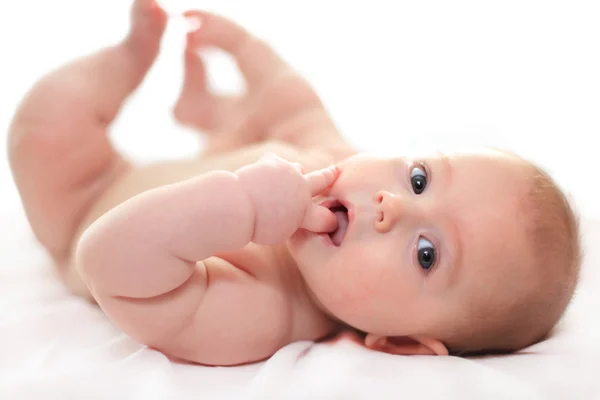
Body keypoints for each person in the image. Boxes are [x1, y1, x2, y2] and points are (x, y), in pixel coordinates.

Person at [8, 0, 581, 366]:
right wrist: (248, 51)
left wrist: (245, 209)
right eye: (420, 177)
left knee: (43, 133)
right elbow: (294, 107)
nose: (392, 206)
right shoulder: (342, 165)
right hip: (214, 158)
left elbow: (105, 262)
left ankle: (163, 86)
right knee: (267, 128)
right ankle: (189, 98)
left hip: (85, 200)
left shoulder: (265, 310)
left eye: (427, 254)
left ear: (400, 342)